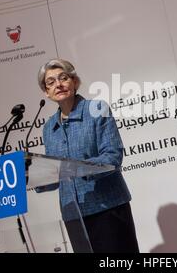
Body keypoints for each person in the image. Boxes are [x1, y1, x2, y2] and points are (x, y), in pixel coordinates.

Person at [37, 58, 139, 253]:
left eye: (63, 78)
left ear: (74, 82)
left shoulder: (97, 110)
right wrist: (35, 178)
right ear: (46, 92)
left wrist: (75, 167)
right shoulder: (49, 128)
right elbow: (56, 173)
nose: (58, 84)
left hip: (107, 209)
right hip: (73, 215)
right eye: (51, 82)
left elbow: (112, 157)